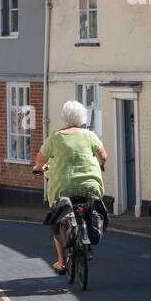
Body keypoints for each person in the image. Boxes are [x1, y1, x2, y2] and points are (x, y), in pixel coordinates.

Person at [34, 100, 107, 274]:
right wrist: (97, 164)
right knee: (92, 208)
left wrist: (39, 169)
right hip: (90, 186)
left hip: (62, 187)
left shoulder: (56, 137)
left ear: (64, 118)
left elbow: (40, 160)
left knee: (57, 220)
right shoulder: (90, 135)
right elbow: (104, 157)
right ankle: (88, 237)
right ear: (83, 118)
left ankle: (62, 263)